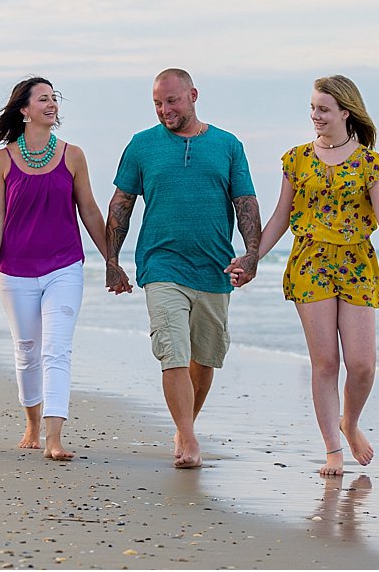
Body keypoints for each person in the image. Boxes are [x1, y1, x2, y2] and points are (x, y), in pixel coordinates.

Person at [227, 74, 379, 476]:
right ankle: (333, 450)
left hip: (357, 263)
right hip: (310, 264)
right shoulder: (297, 159)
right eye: (312, 108)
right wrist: (252, 256)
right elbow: (280, 218)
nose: (315, 116)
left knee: (362, 365)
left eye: (323, 109)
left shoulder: (369, 163)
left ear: (345, 111)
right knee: (325, 362)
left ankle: (350, 421)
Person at [105, 68, 260, 469]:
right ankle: (189, 439)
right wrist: (112, 260)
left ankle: (184, 424)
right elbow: (121, 204)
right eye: (157, 103)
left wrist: (252, 254)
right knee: (172, 351)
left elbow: (245, 203)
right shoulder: (142, 146)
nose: (164, 110)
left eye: (171, 100)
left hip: (213, 268)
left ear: (192, 95)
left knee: (204, 359)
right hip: (161, 264)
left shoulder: (227, 145)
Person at [0, 76, 108, 461]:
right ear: (25, 110)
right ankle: (31, 422)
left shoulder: (73, 155)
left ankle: (54, 437)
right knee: (27, 350)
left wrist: (112, 260)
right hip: (15, 271)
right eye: (43, 99)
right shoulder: (1, 160)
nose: (52, 105)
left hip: (64, 266)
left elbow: (90, 210)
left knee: (57, 349)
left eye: (54, 99)